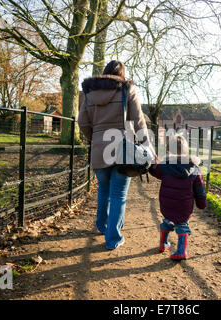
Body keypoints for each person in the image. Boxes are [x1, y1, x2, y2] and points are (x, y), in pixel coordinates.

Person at [78, 60, 150, 250]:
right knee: (118, 194)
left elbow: (82, 122)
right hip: (122, 149)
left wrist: (95, 138)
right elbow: (138, 120)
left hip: (99, 149)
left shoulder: (90, 93)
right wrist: (146, 145)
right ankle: (113, 239)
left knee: (103, 189)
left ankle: (102, 226)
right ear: (122, 74)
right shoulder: (126, 89)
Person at [149, 134, 207, 260]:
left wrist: (153, 163)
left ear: (169, 150)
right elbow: (200, 189)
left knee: (167, 220)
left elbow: (154, 171)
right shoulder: (195, 169)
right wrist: (201, 204)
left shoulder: (164, 166)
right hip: (184, 205)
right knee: (182, 225)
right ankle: (181, 251)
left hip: (167, 203)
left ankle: (163, 244)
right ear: (186, 150)